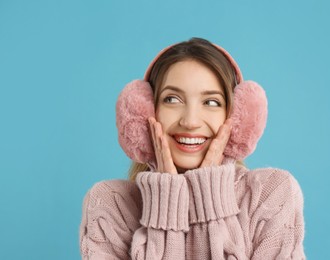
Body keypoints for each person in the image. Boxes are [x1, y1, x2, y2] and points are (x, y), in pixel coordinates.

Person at [79, 38, 305, 259]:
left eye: (211, 102)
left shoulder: (273, 195)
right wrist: (166, 202)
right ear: (145, 113)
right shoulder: (110, 206)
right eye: (172, 99)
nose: (190, 121)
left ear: (237, 119)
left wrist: (209, 198)